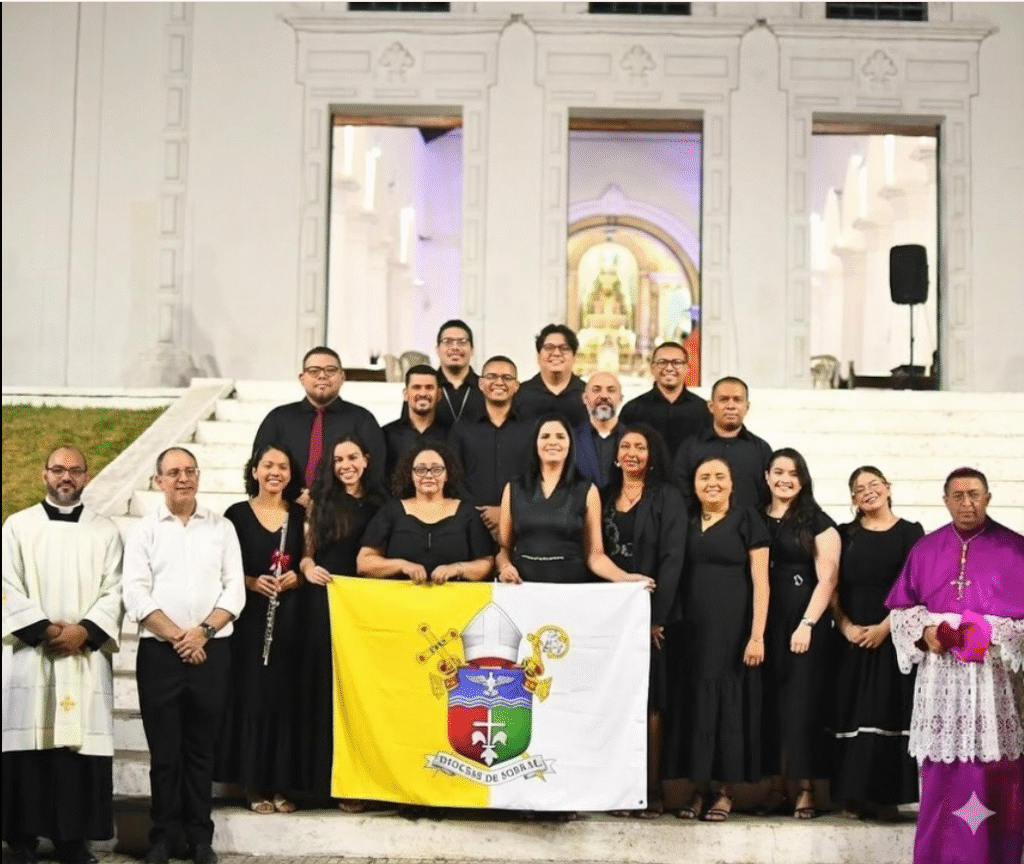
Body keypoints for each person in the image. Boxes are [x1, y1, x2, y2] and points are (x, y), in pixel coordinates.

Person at [886, 467, 1023, 864]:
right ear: (945, 500)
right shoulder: (926, 549)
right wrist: (927, 634)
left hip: (993, 684)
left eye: (975, 494)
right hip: (941, 682)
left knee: (996, 769)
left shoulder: (1016, 549)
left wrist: (989, 634)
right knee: (942, 774)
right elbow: (902, 612)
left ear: (989, 497)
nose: (967, 503)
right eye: (958, 495)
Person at [122, 447, 245, 864]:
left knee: (201, 751)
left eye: (190, 471)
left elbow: (235, 589)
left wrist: (203, 633)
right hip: (161, 655)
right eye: (173, 472)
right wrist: (179, 637)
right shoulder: (144, 531)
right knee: (165, 753)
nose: (183, 478)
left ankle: (199, 839)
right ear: (158, 481)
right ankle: (161, 838)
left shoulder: (222, 527)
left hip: (212, 652)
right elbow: (135, 592)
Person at [2, 446, 124, 864]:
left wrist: (84, 632)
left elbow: (117, 589)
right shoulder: (17, 527)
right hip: (29, 655)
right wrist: (45, 630)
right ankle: (21, 839)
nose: (65, 477)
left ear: (87, 477)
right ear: (44, 475)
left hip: (84, 658)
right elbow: (5, 586)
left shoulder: (104, 531)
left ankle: (74, 840)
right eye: (58, 470)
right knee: (27, 745)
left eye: (74, 470)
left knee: (77, 749)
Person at [672, 457, 769, 823]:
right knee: (696, 704)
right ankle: (697, 788)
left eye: (720, 477)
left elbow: (762, 582)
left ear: (732, 483)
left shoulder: (748, 519)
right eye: (704, 477)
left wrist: (757, 635)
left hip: (733, 632)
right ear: (694, 484)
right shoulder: (685, 520)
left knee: (729, 706)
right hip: (692, 632)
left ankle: (725, 791)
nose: (712, 483)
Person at [214, 444, 306, 814]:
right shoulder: (235, 515)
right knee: (252, 698)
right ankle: (252, 784)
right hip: (249, 620)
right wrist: (253, 582)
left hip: (292, 619)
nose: (275, 472)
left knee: (285, 699)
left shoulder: (301, 515)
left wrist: (296, 578)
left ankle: (282, 783)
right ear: (254, 471)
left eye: (283, 466)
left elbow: (310, 559)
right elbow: (224, 568)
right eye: (267, 465)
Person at [601, 424, 687, 817]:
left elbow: (673, 559)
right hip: (609, 619)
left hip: (652, 620)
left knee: (650, 705)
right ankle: (611, 787)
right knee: (612, 702)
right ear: (616, 455)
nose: (632, 452)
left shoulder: (667, 497)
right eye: (625, 446)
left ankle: (647, 790)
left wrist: (655, 618)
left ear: (652, 456)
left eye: (640, 446)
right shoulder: (601, 497)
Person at [829, 466, 923, 820]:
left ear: (888, 487)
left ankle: (886, 797)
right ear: (853, 498)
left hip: (892, 636)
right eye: (859, 488)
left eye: (874, 484)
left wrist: (887, 627)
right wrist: (845, 626)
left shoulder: (910, 533)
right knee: (853, 711)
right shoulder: (845, 533)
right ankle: (852, 797)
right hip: (851, 638)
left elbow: (917, 588)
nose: (867, 491)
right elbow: (832, 587)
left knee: (886, 711)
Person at [297, 435, 386, 805]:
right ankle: (319, 784)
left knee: (359, 693)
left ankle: (359, 783)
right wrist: (308, 567)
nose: (346, 465)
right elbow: (306, 554)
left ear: (366, 460)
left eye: (352, 457)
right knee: (323, 691)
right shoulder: (320, 502)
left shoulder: (383, 504)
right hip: (325, 601)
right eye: (338, 460)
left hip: (366, 607)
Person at [759, 448, 839, 819]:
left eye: (793, 473)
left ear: (802, 479)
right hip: (765, 621)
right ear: (767, 476)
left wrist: (807, 624)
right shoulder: (756, 517)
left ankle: (805, 787)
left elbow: (828, 579)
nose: (784, 479)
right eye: (778, 472)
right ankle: (775, 787)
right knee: (769, 704)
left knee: (801, 704)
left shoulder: (818, 521)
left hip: (802, 621)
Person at [496, 414, 655, 588]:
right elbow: (503, 548)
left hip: (571, 590)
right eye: (545, 436)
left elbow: (595, 556)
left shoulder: (588, 490)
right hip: (523, 588)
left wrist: (625, 578)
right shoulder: (514, 488)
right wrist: (504, 567)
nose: (553, 442)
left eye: (560, 436)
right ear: (535, 443)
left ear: (570, 444)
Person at [252, 346, 386, 505]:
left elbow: (376, 472)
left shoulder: (362, 419)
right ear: (302, 378)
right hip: (286, 506)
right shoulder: (278, 418)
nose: (322, 376)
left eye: (330, 370)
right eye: (314, 370)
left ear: (342, 377)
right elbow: (258, 468)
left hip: (344, 511)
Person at [357, 443, 494, 584]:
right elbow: (364, 563)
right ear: (410, 474)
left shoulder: (467, 512)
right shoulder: (391, 511)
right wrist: (402, 566)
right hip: (401, 603)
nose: (428, 475)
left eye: (436, 469)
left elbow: (486, 563)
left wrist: (457, 568)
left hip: (454, 603)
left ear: (447, 475)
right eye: (420, 470)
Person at [448, 355, 532, 539]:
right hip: (470, 523)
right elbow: (454, 477)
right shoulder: (462, 429)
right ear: (480, 383)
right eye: (491, 376)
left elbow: (536, 477)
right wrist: (482, 513)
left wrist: (506, 510)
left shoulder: (532, 429)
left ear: (516, 386)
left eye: (507, 378)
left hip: (522, 523)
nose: (499, 382)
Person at [673, 377, 771, 511]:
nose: (731, 406)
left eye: (737, 400)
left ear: (747, 407)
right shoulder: (690, 448)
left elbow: (767, 497)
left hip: (749, 528)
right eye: (724, 399)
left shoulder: (761, 450)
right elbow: (680, 494)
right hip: (700, 528)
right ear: (711, 406)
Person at [620, 342, 711, 457]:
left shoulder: (703, 409)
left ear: (687, 368)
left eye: (676, 363)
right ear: (652, 368)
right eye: (662, 362)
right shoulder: (633, 409)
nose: (669, 368)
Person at [512, 324, 588, 427]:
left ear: (574, 357)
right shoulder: (520, 394)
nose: (556, 353)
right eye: (549, 347)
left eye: (564, 348)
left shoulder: (588, 394)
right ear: (538, 356)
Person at [382, 365, 448, 481]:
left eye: (429, 387)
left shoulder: (453, 434)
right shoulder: (386, 434)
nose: (423, 393)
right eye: (416, 387)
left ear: (439, 394)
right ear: (406, 394)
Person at [574, 371, 626, 491]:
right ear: (585, 398)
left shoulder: (632, 438)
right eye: (596, 390)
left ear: (621, 398)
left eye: (611, 390)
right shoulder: (571, 439)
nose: (603, 396)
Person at [433, 319, 486, 426]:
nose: (455, 347)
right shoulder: (425, 387)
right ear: (438, 349)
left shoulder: (485, 387)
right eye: (447, 342)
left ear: (472, 350)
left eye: (462, 342)